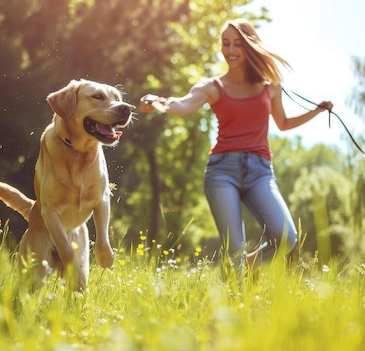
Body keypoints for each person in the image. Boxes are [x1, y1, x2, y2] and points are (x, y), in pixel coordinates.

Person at [139, 18, 333, 277]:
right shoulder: (213, 87)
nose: (230, 51)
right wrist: (157, 101)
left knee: (287, 237)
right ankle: (236, 307)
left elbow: (283, 123)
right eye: (226, 44)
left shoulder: (270, 86)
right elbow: (183, 105)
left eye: (237, 45)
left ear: (250, 46)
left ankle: (253, 261)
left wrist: (317, 111)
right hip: (222, 171)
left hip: (260, 172)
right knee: (234, 250)